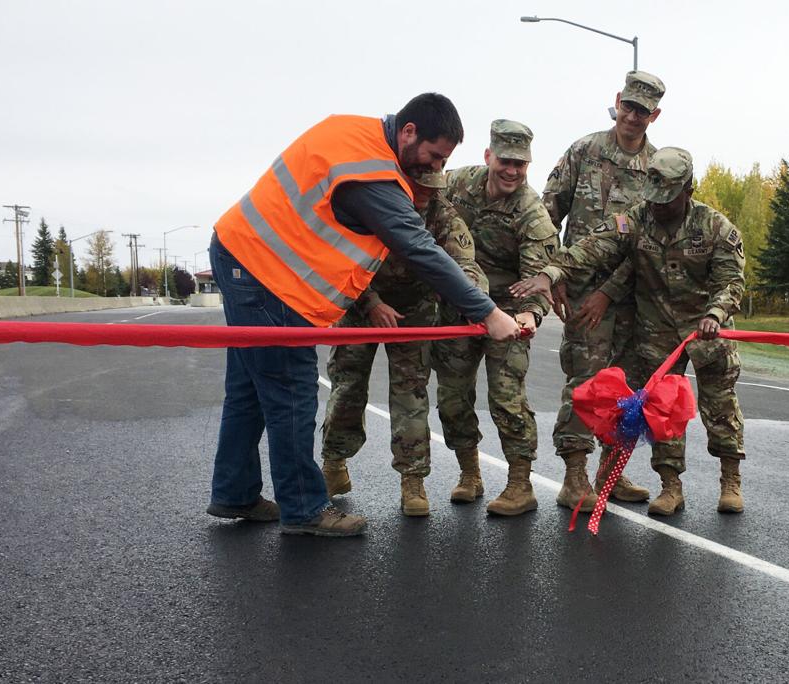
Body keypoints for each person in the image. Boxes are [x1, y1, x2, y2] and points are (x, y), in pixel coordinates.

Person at [206, 94, 520, 538]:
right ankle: (304, 508)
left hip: (245, 255)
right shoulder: (372, 173)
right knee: (290, 391)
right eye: (432, 155)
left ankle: (234, 491)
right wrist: (488, 313)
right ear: (408, 132)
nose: (432, 167)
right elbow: (418, 247)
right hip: (266, 275)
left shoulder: (356, 133)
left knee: (248, 389)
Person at [510, 147, 747, 516]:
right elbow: (593, 247)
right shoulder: (637, 219)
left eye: (666, 200)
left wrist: (715, 313)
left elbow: (732, 281)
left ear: (688, 190)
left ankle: (730, 481)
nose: (658, 207)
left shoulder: (715, 228)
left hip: (707, 331)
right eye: (653, 198)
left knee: (720, 407)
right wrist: (551, 273)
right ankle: (671, 486)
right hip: (657, 334)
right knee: (664, 412)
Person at [318, 169, 487, 517]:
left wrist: (475, 300)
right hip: (360, 303)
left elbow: (465, 264)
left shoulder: (442, 214)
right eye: (419, 188)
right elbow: (341, 260)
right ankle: (334, 465)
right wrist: (372, 304)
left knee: (410, 395)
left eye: (431, 189)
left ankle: (413, 480)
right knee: (347, 388)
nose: (425, 195)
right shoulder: (372, 203)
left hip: (414, 309)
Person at [542, 70, 665, 512]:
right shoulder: (585, 150)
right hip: (582, 290)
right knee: (586, 380)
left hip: (632, 293)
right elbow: (546, 213)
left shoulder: (657, 168)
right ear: (617, 101)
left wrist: (609, 292)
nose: (632, 117)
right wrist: (555, 272)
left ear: (655, 115)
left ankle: (610, 471)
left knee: (630, 386)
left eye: (642, 111)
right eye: (628, 106)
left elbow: (652, 238)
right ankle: (575, 477)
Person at [432, 120, 559, 516]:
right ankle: (470, 473)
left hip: (507, 312)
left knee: (506, 397)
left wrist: (529, 315)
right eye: (505, 161)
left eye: (521, 165)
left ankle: (520, 484)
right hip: (458, 306)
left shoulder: (531, 212)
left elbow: (538, 278)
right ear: (488, 156)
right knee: (452, 397)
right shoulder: (458, 184)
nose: (512, 171)